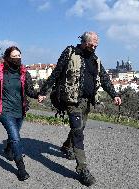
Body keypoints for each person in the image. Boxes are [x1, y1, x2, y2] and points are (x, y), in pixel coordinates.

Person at [38, 31, 122, 186]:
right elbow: (56, 73)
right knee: (78, 132)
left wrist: (114, 95)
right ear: (84, 41)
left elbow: (104, 78)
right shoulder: (70, 53)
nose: (95, 46)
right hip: (72, 101)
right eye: (92, 43)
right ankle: (82, 169)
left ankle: (66, 146)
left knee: (80, 128)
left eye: (97, 44)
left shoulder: (95, 59)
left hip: (87, 102)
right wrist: (43, 91)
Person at [0, 46, 39, 181]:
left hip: (20, 110)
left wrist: (38, 95)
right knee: (16, 138)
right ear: (8, 58)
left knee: (14, 136)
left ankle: (8, 149)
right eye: (14, 56)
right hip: (5, 110)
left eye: (19, 56)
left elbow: (29, 91)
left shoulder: (24, 73)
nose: (18, 58)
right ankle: (21, 169)